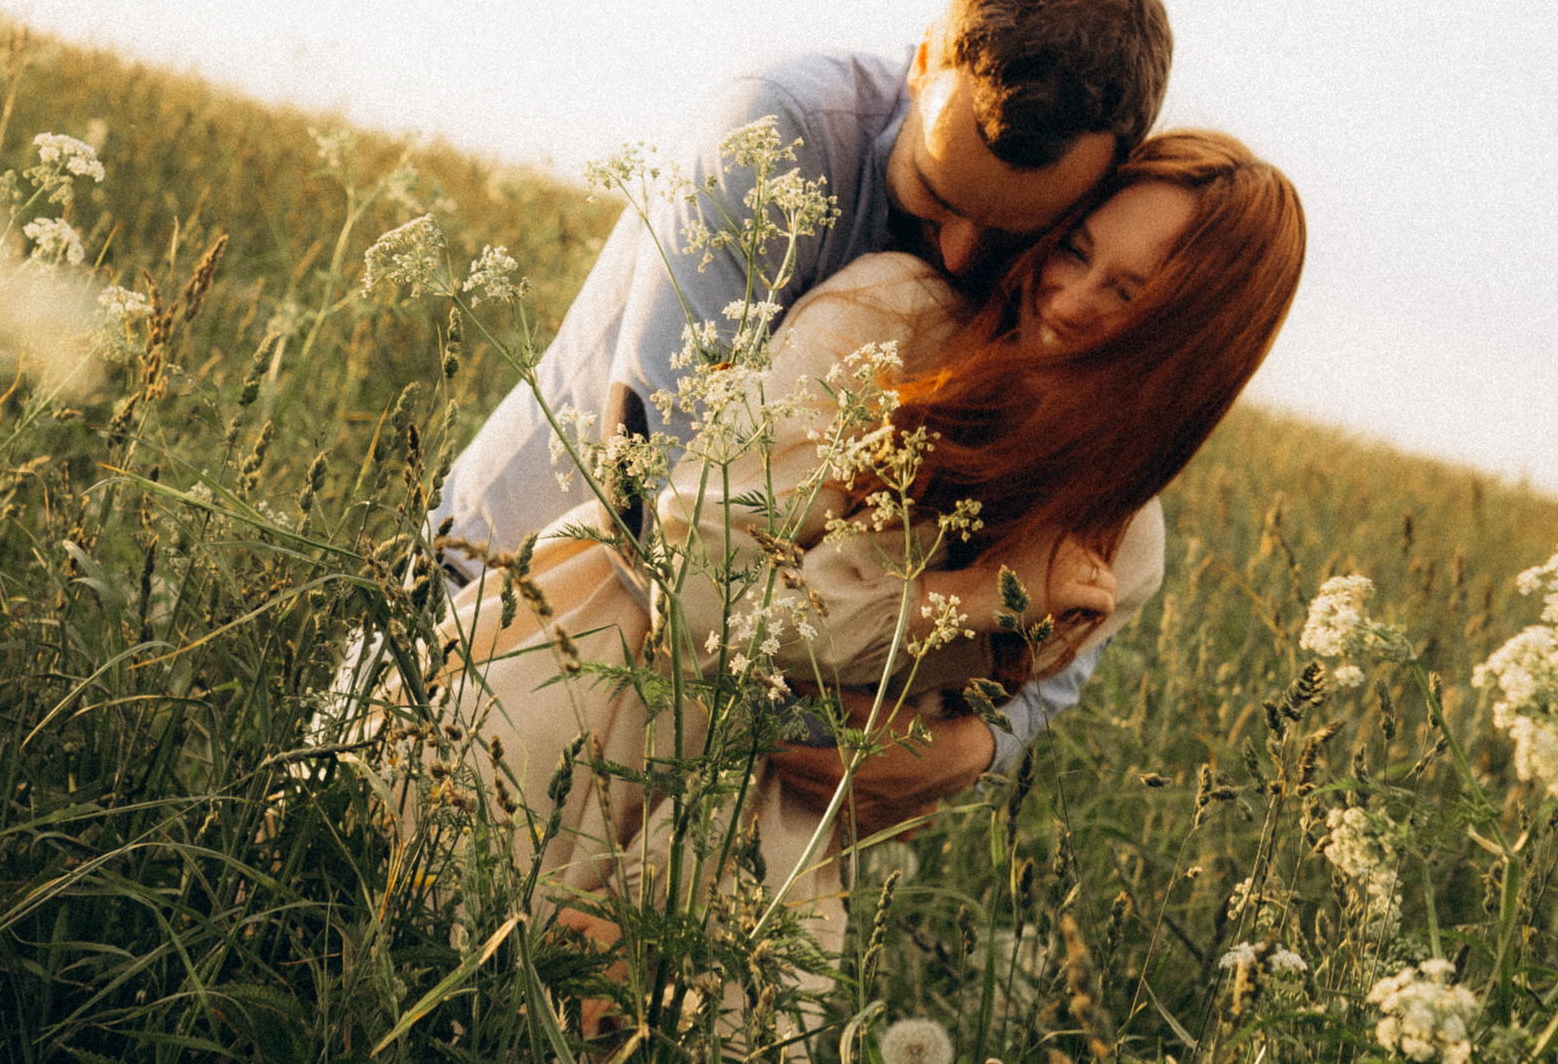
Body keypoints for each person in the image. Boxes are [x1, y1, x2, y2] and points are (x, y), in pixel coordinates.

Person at [416, 130, 1304, 1009]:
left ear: (1192, 347)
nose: (1069, 298)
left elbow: (913, 748)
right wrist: (979, 599)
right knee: (428, 971)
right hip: (592, 694)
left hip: (763, 839)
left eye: (1128, 294)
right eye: (1074, 249)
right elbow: (702, 589)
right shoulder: (897, 315)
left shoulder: (1124, 549)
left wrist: (957, 743)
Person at [431, 0, 1175, 840]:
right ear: (923, 59)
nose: (959, 256)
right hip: (500, 595)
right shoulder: (776, 132)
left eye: (1016, 237)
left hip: (725, 742)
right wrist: (839, 733)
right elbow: (662, 501)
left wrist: (980, 743)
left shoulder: (1069, 290)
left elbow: (1086, 574)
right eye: (934, 194)